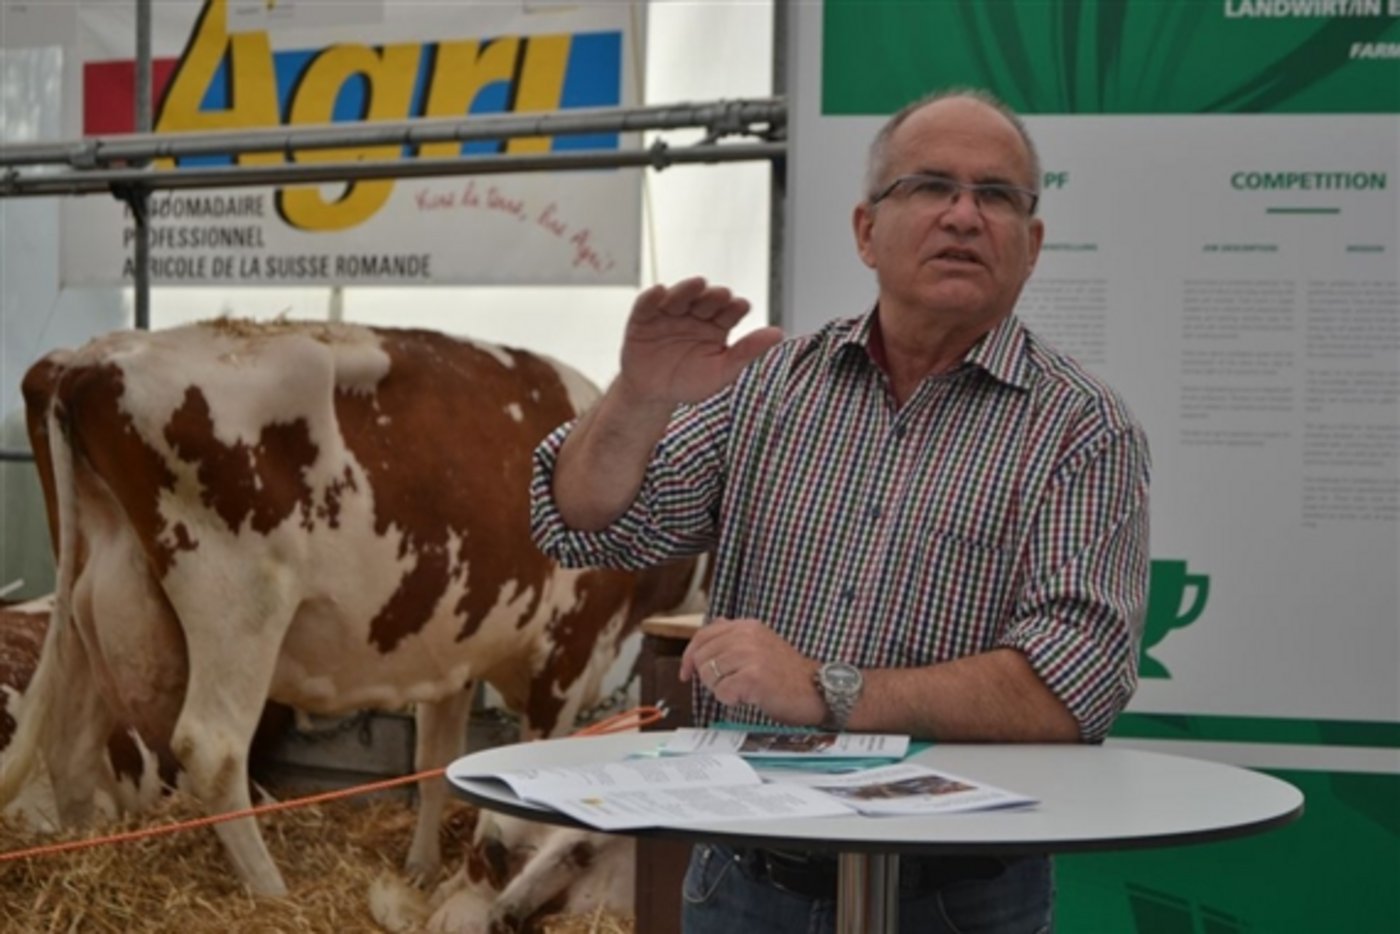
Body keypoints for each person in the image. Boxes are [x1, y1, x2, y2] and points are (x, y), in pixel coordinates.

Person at [530, 87, 1150, 934]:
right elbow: (588, 522)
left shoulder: (1082, 428)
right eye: (930, 187)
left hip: (955, 895)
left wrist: (827, 691)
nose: (964, 216)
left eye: (997, 196)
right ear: (866, 231)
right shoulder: (774, 382)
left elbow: (1072, 685)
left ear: (1031, 245)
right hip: (743, 878)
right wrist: (637, 398)